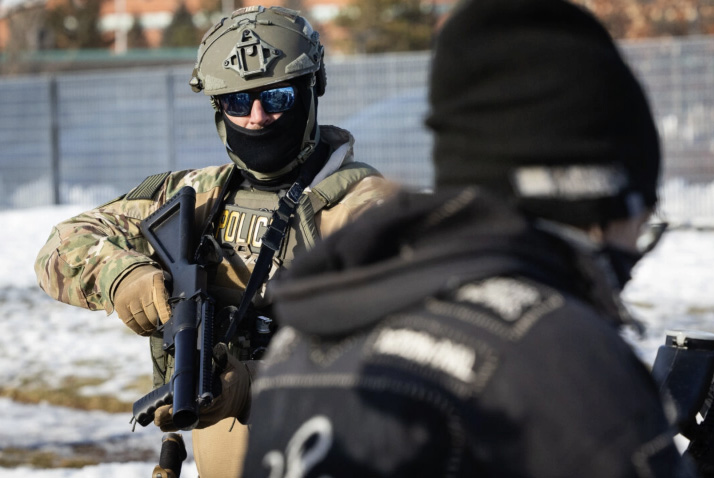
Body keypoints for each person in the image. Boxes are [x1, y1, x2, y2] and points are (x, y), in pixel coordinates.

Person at [239, 0, 699, 476]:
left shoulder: (302, 344)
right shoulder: (560, 356)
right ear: (594, 207)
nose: (634, 256)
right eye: (641, 227)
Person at [34, 5, 391, 478]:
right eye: (238, 103)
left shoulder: (369, 210)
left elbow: (401, 369)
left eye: (277, 96)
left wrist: (252, 387)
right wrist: (121, 276)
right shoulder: (200, 197)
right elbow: (62, 245)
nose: (257, 117)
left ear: (312, 89)